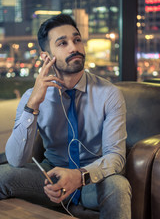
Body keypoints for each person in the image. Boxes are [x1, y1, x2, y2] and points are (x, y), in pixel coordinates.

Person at [0, 14, 131, 219]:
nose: (74, 48)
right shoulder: (32, 97)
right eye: (63, 43)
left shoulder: (109, 94)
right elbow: (16, 159)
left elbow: (116, 157)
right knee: (3, 176)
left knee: (118, 186)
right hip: (49, 177)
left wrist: (79, 176)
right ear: (46, 56)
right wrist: (33, 104)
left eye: (77, 40)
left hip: (92, 179)